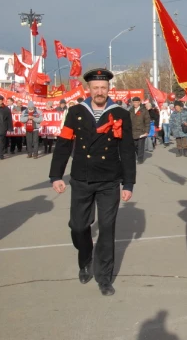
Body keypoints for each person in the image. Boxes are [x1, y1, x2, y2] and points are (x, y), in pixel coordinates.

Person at [49, 68, 136, 296]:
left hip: (109, 179)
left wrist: (128, 184)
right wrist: (56, 175)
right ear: (88, 89)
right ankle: (85, 259)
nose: (99, 91)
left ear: (109, 89)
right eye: (95, 87)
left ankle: (104, 277)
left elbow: (127, 150)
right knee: (79, 226)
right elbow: (64, 144)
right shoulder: (77, 111)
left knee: (107, 229)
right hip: (82, 178)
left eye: (103, 87)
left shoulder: (120, 113)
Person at [129, 97, 150, 164]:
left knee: (140, 146)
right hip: (132, 131)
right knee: (134, 146)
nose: (135, 103)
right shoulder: (131, 110)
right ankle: (138, 156)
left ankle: (140, 159)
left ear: (139, 102)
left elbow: (147, 121)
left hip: (141, 131)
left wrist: (147, 131)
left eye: (136, 102)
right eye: (134, 102)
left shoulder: (144, 111)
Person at [0, 95, 13, 160]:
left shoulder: (6, 109)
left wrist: (10, 128)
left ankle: (1, 155)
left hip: (2, 128)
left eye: (0, 100)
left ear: (2, 101)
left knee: (2, 142)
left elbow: (9, 119)